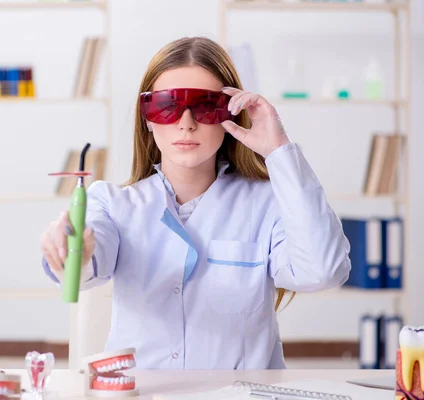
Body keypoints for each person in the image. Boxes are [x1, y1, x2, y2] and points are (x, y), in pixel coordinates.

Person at [40, 36, 351, 370]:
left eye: (205, 106)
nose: (186, 123)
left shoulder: (267, 203)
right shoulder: (113, 204)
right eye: (166, 106)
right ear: (147, 118)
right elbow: (87, 267)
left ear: (229, 114)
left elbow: (324, 271)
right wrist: (74, 251)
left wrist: (278, 150)